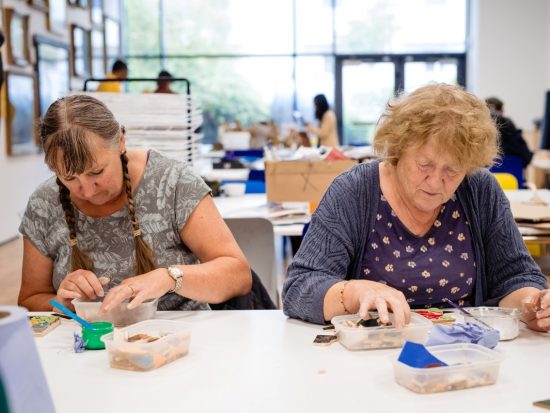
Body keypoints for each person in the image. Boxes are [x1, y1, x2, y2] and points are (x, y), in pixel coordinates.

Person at [283, 83, 550, 332]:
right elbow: (298, 289)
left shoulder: (479, 190)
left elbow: (515, 277)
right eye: (424, 165)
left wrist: (533, 305)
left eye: (452, 170)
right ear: (398, 150)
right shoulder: (354, 191)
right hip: (373, 351)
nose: (435, 182)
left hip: (463, 350)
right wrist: (354, 292)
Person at [18, 94, 252, 313]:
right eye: (69, 178)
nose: (87, 190)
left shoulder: (172, 183)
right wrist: (62, 303)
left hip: (179, 339)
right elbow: (30, 299)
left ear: (120, 141)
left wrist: (170, 278)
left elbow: (238, 275)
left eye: (97, 172)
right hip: (85, 345)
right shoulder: (45, 203)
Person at [486, 96, 533, 167]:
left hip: (484, 175)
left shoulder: (477, 130)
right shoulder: (509, 125)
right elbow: (527, 156)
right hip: (513, 176)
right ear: (500, 110)